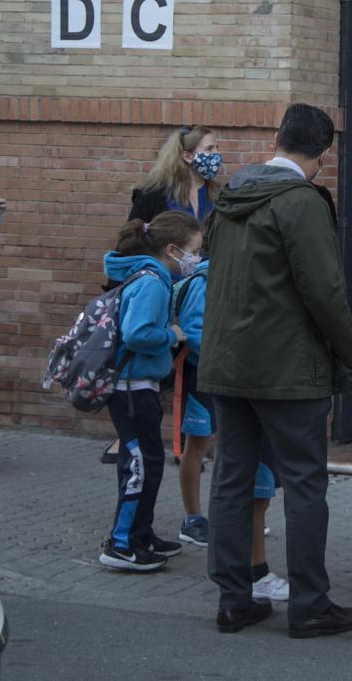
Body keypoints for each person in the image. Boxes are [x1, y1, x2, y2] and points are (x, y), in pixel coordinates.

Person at [200, 103, 352, 636]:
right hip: (286, 368)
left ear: (278, 140)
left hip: (228, 362)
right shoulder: (301, 202)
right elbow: (324, 291)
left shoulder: (233, 195)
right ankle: (310, 605)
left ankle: (234, 600)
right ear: (323, 153)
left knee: (231, 477)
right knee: (303, 483)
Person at [171, 240, 290, 602]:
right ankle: (199, 522)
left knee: (241, 469)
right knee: (205, 448)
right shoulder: (208, 281)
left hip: (232, 379)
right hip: (214, 380)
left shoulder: (238, 278)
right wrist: (230, 359)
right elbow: (197, 331)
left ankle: (242, 561)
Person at [101, 125, 223, 464]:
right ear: (187, 155)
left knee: (192, 370)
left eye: (216, 150)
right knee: (153, 367)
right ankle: (131, 438)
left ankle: (191, 442)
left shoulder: (217, 196)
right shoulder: (155, 195)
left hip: (197, 297)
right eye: (209, 149)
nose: (215, 157)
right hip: (158, 297)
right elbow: (129, 247)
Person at [98, 212, 202, 572]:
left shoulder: (151, 277)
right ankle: (121, 544)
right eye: (193, 251)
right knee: (141, 465)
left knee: (149, 464)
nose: (196, 259)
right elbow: (137, 333)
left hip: (138, 386)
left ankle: (141, 534)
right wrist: (173, 335)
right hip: (131, 388)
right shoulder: (153, 282)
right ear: (171, 250)